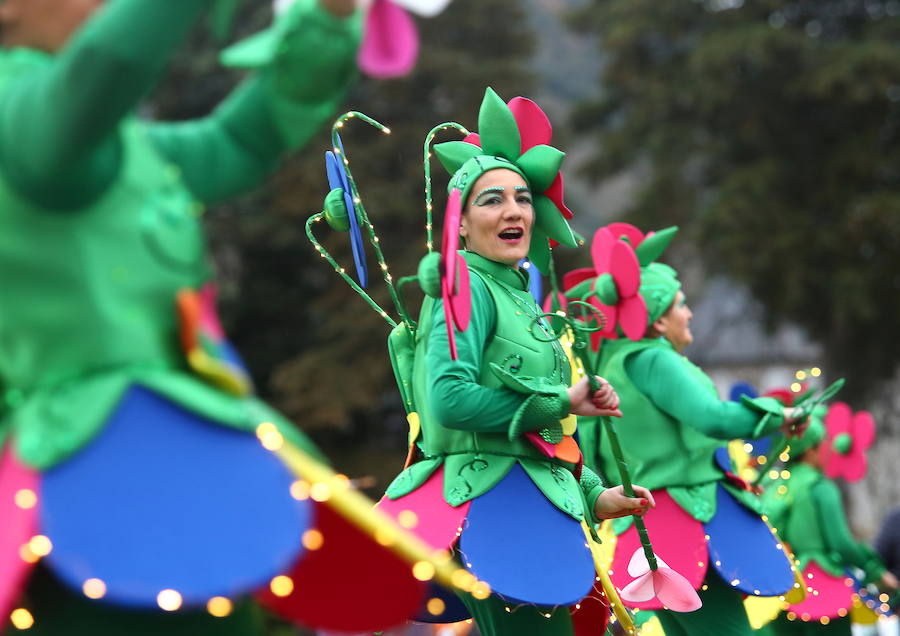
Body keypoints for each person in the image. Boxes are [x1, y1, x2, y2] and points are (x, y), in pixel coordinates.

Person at [0, 1, 376, 634]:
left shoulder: (105, 144)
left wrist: (330, 19)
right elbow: (111, 62)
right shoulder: (21, 125)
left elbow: (239, 140)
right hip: (97, 482)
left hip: (192, 464)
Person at [316, 88, 655, 636]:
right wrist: (563, 399)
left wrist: (597, 494)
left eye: (522, 197)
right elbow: (449, 402)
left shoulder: (520, 297)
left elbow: (543, 436)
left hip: (534, 507)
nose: (514, 209)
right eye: (492, 200)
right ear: (462, 225)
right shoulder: (463, 285)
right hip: (494, 506)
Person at [568, 223, 809, 636]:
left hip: (648, 528)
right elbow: (712, 417)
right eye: (681, 304)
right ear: (659, 321)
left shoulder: (610, 367)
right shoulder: (652, 360)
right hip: (690, 521)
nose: (690, 313)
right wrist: (777, 415)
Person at [759, 408, 899, 635]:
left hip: (785, 587)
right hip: (824, 590)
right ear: (810, 450)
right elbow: (841, 543)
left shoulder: (775, 487)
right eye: (823, 443)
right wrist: (875, 571)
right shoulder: (821, 488)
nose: (828, 449)